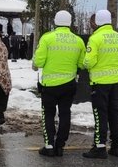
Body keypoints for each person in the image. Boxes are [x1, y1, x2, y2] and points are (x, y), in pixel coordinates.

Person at [33, 10, 86, 157]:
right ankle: (60, 146)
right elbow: (82, 64)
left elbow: (38, 62)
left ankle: (49, 145)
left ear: (55, 21)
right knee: (65, 114)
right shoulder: (78, 40)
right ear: (70, 22)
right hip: (69, 84)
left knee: (48, 114)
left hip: (49, 86)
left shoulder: (47, 38)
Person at [82, 9, 118, 159]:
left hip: (99, 83)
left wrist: (85, 64)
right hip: (115, 82)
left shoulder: (95, 38)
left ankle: (100, 147)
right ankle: (116, 146)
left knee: (100, 115)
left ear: (97, 22)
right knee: (114, 113)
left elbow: (89, 61)